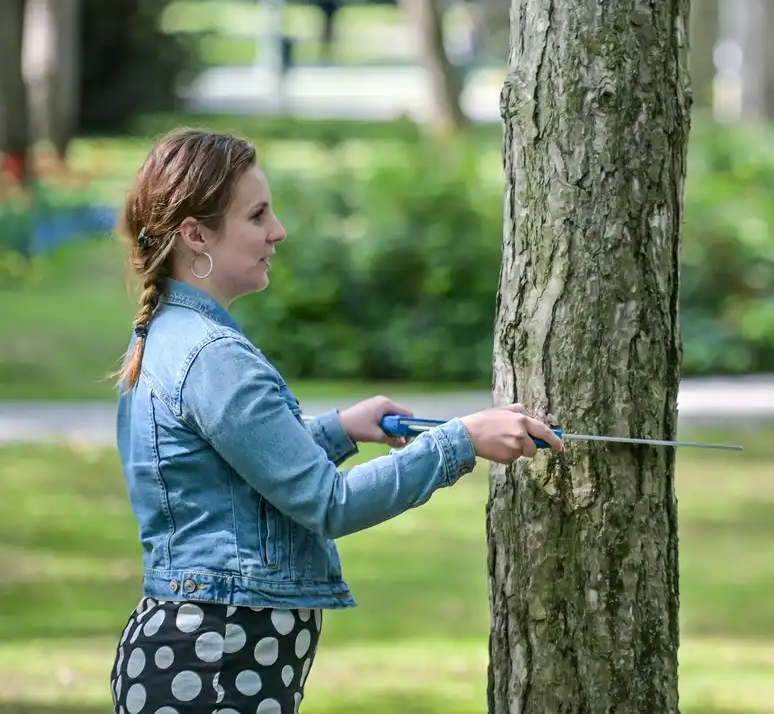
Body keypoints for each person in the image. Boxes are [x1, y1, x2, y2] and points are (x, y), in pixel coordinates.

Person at [108, 128, 564, 714]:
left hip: (197, 660)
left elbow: (238, 474)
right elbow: (329, 504)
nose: (278, 231)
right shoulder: (212, 356)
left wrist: (340, 430)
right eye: (258, 215)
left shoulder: (171, 334)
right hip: (211, 667)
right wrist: (462, 440)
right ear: (196, 235)